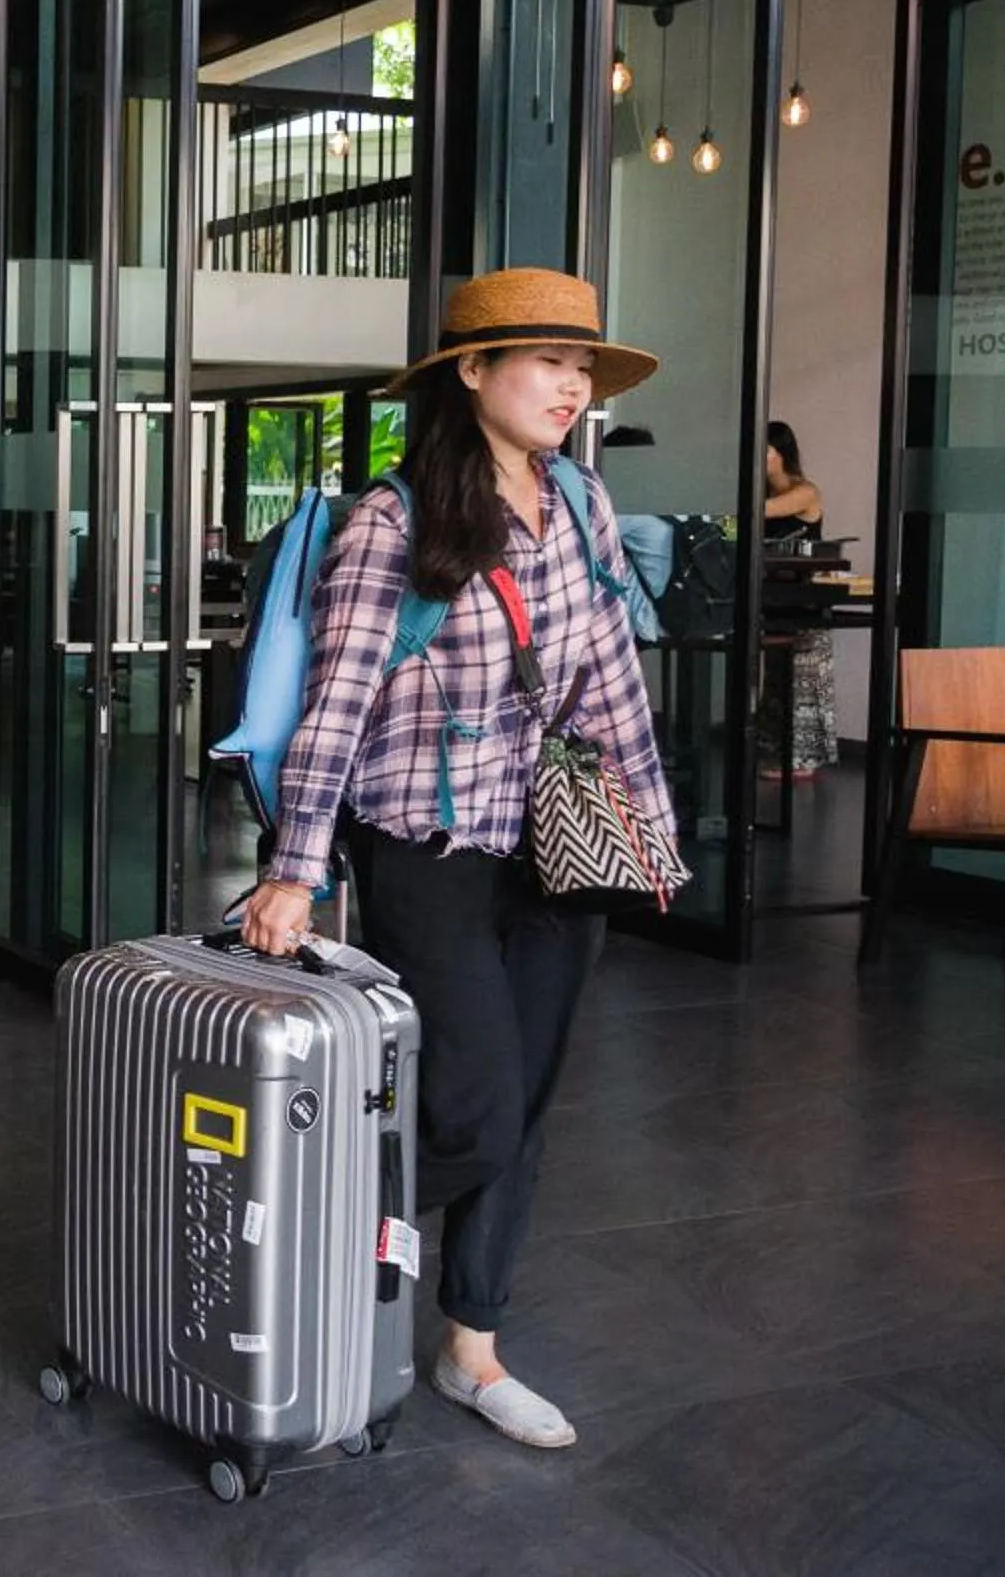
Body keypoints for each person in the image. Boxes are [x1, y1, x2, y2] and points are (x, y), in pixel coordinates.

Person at [239, 268, 680, 1453]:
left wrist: (649, 831)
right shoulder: (395, 520)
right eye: (548, 361)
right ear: (471, 373)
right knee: (477, 1110)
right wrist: (296, 865)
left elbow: (610, 683)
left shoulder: (583, 501)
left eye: (583, 366)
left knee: (523, 1109)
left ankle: (470, 1350)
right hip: (425, 845)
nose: (573, 385)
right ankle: (303, 1241)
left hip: (550, 845)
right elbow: (337, 707)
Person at [757, 420, 835, 779]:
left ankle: (803, 759)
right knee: (775, 677)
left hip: (802, 597)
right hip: (771, 596)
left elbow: (763, 511)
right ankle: (776, 753)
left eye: (765, 450)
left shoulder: (806, 492)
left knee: (803, 674)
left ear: (781, 454)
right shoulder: (761, 493)